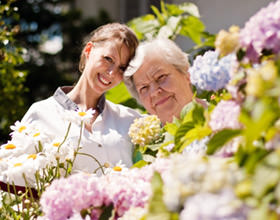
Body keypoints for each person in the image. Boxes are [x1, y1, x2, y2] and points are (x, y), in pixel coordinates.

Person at [3, 23, 141, 179]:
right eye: (108, 59)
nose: (111, 72)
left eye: (122, 68)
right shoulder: (41, 113)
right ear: (89, 50)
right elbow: (14, 182)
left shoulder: (131, 121)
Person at [124, 38, 207, 125]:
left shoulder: (218, 114)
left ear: (186, 73)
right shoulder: (146, 137)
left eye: (161, 77)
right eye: (144, 87)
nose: (154, 92)